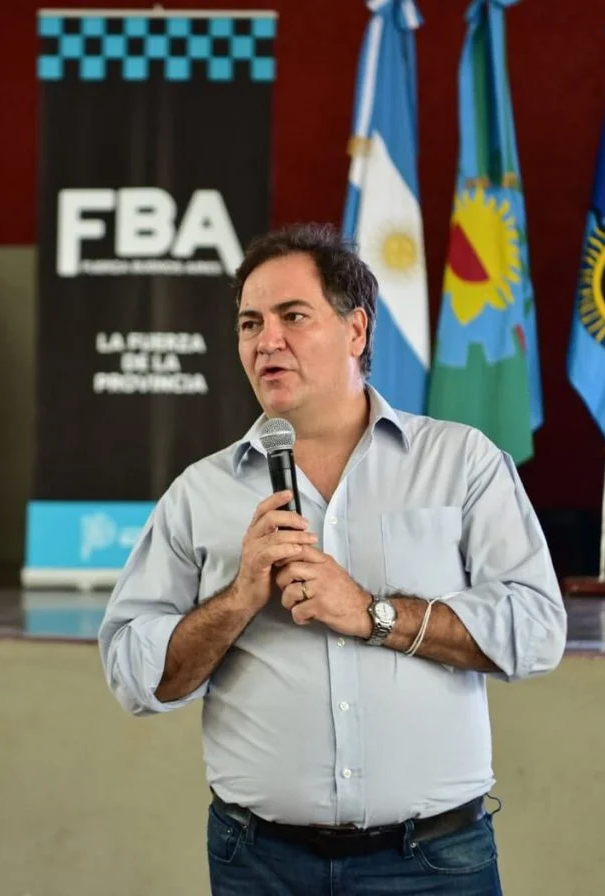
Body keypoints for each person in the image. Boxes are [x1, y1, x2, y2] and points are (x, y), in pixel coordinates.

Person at [98, 223, 567, 895]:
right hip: (259, 865)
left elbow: (537, 631)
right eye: (250, 324)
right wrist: (237, 600)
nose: (267, 341)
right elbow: (135, 675)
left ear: (356, 330)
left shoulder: (461, 463)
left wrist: (373, 614)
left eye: (293, 316)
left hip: (434, 865)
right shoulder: (200, 493)